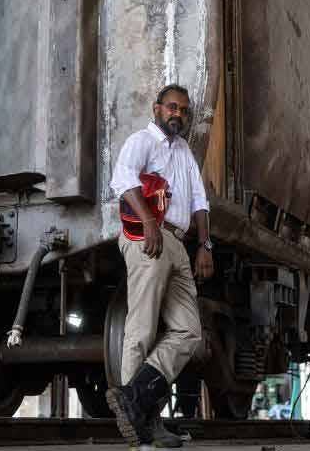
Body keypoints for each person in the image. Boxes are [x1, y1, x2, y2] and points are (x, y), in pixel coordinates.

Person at [106, 84, 215, 448]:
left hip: (180, 243)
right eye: (172, 107)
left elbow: (200, 200)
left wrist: (204, 244)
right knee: (142, 329)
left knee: (188, 331)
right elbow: (122, 180)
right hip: (147, 236)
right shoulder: (143, 141)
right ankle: (144, 427)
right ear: (157, 108)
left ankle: (134, 400)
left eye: (183, 110)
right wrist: (150, 222)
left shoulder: (184, 152)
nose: (178, 115)